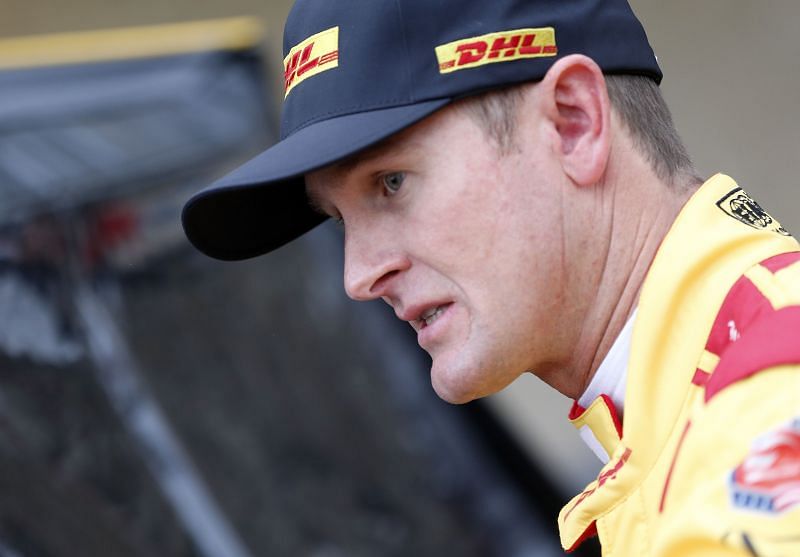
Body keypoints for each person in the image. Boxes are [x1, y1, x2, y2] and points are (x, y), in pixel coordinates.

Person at [182, 0, 800, 554]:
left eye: (391, 183)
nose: (359, 276)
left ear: (573, 121)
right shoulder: (695, 403)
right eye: (340, 220)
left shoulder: (764, 408)